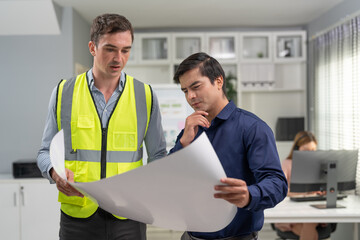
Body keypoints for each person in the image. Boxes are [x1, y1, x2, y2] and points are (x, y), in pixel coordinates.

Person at [37, 14, 167, 240]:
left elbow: (158, 155)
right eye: (110, 49)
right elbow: (44, 153)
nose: (119, 58)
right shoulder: (63, 92)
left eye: (126, 50)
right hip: (78, 216)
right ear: (92, 47)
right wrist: (53, 172)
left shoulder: (144, 95)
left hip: (129, 215)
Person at [169, 52, 288, 240]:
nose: (191, 96)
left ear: (218, 81)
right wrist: (183, 144)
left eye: (196, 87)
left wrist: (249, 195)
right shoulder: (190, 130)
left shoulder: (253, 128)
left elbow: (277, 183)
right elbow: (169, 179)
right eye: (185, 91)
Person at [274, 131, 325, 240]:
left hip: (313, 208)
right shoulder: (287, 163)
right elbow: (280, 190)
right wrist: (304, 193)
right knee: (309, 226)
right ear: (297, 148)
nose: (310, 154)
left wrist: (323, 191)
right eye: (306, 150)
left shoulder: (319, 164)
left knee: (309, 222)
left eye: (313, 150)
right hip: (292, 210)